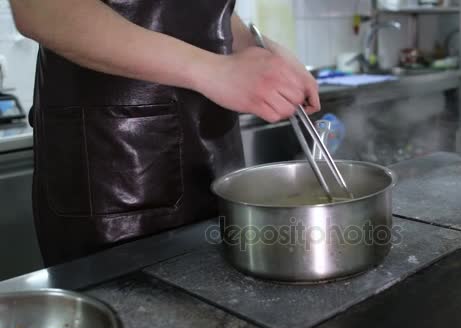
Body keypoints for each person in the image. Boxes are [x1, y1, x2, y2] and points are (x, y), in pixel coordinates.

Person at [9, 0, 321, 266]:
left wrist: (259, 48)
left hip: (214, 155)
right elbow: (38, 8)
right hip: (113, 169)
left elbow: (204, 11)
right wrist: (214, 71)